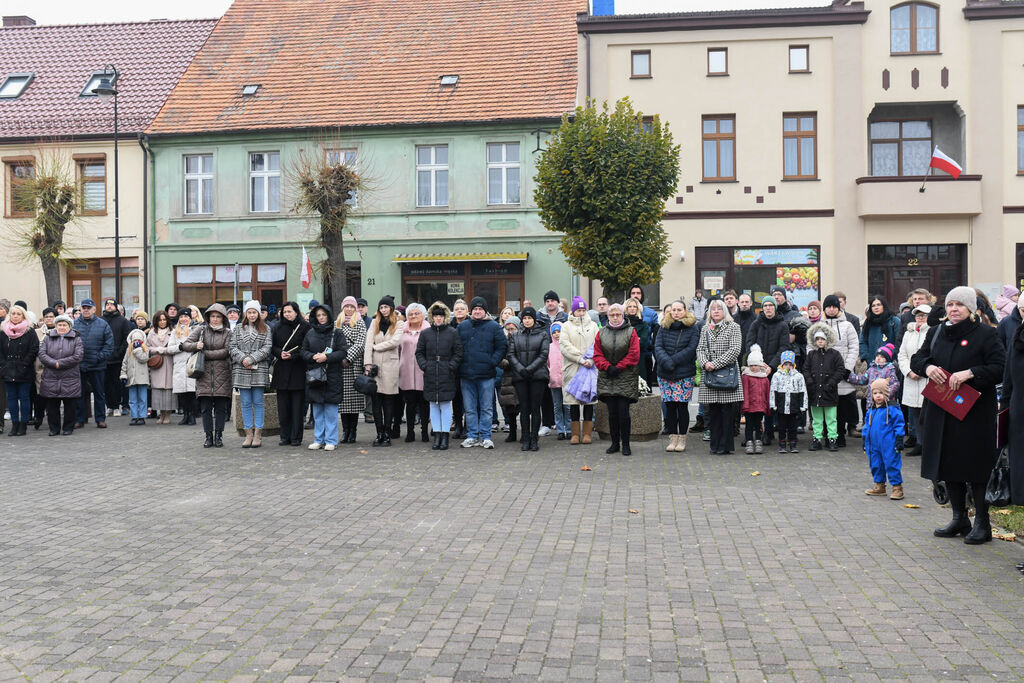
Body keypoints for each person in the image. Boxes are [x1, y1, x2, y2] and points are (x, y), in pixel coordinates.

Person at [911, 286, 1005, 545]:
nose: (954, 309)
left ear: (972, 309)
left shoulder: (986, 334)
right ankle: (959, 517)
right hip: (941, 410)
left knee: (975, 466)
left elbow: (1000, 367)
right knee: (947, 463)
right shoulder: (937, 331)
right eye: (950, 304)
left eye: (960, 305)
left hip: (974, 412)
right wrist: (928, 368)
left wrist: (971, 373)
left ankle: (983, 524)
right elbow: (917, 359)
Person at [457, 296, 506, 449]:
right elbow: (456, 347)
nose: (477, 311)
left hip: (486, 374)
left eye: (480, 309)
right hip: (466, 374)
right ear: (471, 311)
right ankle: (472, 436)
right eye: (475, 309)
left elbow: (502, 347)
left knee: (486, 407)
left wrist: (492, 361)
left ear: (485, 311)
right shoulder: (463, 326)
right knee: (470, 408)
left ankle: (486, 436)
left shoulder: (494, 327)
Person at [182, 303, 233, 448]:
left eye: (218, 317)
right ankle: (208, 436)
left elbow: (226, 351)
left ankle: (219, 436)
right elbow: (185, 344)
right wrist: (196, 346)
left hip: (222, 374)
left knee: (221, 408)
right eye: (212, 316)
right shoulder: (201, 329)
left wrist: (205, 354)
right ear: (208, 317)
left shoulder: (228, 333)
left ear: (223, 318)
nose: (215, 319)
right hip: (203, 374)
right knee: (205, 408)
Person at [697, 299, 744, 455]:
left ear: (725, 311)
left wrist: (715, 364)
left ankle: (726, 446)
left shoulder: (734, 327)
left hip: (727, 375)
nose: (716, 311)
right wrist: (704, 363)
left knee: (727, 412)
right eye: (713, 309)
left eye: (719, 308)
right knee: (713, 412)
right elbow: (700, 349)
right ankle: (714, 445)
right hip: (710, 375)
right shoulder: (705, 329)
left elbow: (735, 350)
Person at [593, 303, 640, 456]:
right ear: (608, 316)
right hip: (607, 377)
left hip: (625, 377)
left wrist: (619, 367)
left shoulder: (631, 332)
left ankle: (626, 444)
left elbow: (634, 354)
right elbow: (597, 354)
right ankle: (614, 443)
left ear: (622, 315)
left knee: (623, 413)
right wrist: (607, 367)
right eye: (612, 315)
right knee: (612, 413)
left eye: (617, 314)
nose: (614, 317)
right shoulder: (601, 333)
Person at [654, 300, 700, 452]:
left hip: (684, 374)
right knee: (670, 406)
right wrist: (666, 361)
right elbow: (658, 346)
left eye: (679, 310)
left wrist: (672, 361)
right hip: (665, 373)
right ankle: (672, 438)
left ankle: (682, 439)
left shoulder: (692, 328)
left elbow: (692, 349)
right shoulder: (663, 327)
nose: (676, 312)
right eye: (673, 310)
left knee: (682, 406)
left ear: (685, 311)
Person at [300, 303, 347, 450]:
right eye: (318, 315)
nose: (321, 318)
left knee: (331, 411)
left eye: (324, 315)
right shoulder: (310, 333)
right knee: (318, 410)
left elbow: (343, 352)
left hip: (332, 375)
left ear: (329, 315)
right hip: (315, 375)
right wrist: (313, 356)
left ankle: (331, 440)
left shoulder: (337, 332)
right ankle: (318, 439)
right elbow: (303, 351)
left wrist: (327, 357)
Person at [416, 302, 462, 450]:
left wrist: (451, 366)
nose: (438, 319)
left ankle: (445, 436)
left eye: (440, 316)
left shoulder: (452, 332)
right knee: (433, 405)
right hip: (430, 372)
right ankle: (437, 436)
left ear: (445, 317)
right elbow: (419, 353)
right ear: (431, 317)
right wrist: (425, 366)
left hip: (446, 372)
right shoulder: (425, 334)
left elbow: (458, 352)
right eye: (435, 316)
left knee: (445, 405)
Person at [228, 300, 273, 447]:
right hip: (242, 369)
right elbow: (232, 347)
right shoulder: (238, 330)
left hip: (258, 368)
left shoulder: (266, 328)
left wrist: (252, 358)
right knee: (245, 403)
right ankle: (248, 434)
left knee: (258, 402)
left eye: (254, 312)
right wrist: (243, 359)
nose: (252, 315)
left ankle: (258, 434)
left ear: (258, 314)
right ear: (245, 314)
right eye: (249, 312)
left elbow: (267, 348)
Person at [508, 306, 550, 452]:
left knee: (535, 408)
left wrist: (530, 369)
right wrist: (521, 369)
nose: (527, 321)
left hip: (537, 376)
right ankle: (525, 438)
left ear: (534, 319)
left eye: (529, 318)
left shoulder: (543, 334)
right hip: (521, 377)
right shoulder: (515, 335)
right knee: (524, 409)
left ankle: (534, 439)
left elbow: (543, 354)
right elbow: (511, 354)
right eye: (524, 318)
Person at [819, 295, 860, 447]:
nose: (831, 309)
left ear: (839, 308)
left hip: (842, 372)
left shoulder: (847, 325)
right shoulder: (819, 325)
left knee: (842, 406)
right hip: (824, 373)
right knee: (826, 405)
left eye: (834, 306)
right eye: (828, 306)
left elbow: (854, 347)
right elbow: (812, 347)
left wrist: (847, 368)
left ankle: (840, 435)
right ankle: (828, 436)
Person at [363, 296, 404, 447]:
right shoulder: (374, 322)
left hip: (390, 366)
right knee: (376, 401)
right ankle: (379, 432)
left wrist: (376, 347)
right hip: (374, 367)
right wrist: (367, 363)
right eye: (381, 307)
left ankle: (387, 433)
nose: (384, 310)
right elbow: (368, 343)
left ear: (391, 308)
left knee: (388, 401)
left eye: (386, 307)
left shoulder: (399, 323)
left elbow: (395, 342)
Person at [560, 297, 599, 444]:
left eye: (583, 310)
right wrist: (581, 359)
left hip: (590, 368)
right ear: (573, 311)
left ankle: (587, 433)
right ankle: (575, 434)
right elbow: (564, 346)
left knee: (589, 401)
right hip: (573, 368)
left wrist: (591, 359)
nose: (581, 313)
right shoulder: (566, 326)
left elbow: (598, 344)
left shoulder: (594, 325)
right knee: (573, 402)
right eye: (578, 310)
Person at [271, 301, 310, 446]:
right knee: (283, 408)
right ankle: (284, 436)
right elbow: (273, 346)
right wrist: (280, 353)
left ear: (296, 312)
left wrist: (293, 356)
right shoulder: (277, 327)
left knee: (297, 408)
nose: (287, 314)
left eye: (290, 311)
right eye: (285, 312)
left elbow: (306, 348)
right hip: (281, 370)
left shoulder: (305, 327)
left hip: (298, 370)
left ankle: (296, 437)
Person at [804, 323, 847, 452]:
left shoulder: (835, 354)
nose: (820, 342)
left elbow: (840, 370)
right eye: (817, 339)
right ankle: (817, 439)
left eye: (822, 339)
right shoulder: (811, 355)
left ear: (827, 340)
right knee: (817, 419)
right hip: (815, 392)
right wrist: (810, 382)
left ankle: (832, 439)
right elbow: (806, 369)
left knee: (831, 418)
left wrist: (831, 383)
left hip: (829, 391)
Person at [38, 314, 83, 436]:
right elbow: (42, 354)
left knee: (70, 405)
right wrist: (54, 363)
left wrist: (60, 363)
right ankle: (54, 428)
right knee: (52, 405)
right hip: (51, 376)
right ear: (55, 326)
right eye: (59, 325)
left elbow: (78, 356)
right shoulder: (47, 338)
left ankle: (68, 427)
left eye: (64, 325)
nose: (62, 327)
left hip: (70, 377)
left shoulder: (76, 339)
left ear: (69, 327)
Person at [863, 378, 907, 500]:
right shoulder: (871, 410)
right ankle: (879, 485)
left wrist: (899, 439)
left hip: (889, 443)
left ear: (886, 394)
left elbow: (899, 424)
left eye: (881, 393)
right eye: (875, 393)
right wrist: (864, 440)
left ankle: (897, 487)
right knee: (876, 464)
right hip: (874, 444)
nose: (878, 396)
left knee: (892, 463)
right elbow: (866, 426)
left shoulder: (893, 409)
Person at [72, 299, 113, 428]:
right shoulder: (74, 325)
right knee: (79, 393)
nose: (86, 310)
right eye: (83, 308)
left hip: (97, 365)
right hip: (79, 365)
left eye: (88, 308)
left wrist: (99, 357)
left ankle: (100, 419)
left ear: (94, 309)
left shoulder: (103, 324)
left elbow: (109, 345)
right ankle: (79, 419)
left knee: (99, 394)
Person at [0, 304, 40, 436]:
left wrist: (24, 364)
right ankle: (14, 425)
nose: (15, 316)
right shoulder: (3, 331)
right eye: (13, 313)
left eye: (18, 314)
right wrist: (4, 365)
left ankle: (23, 425)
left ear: (23, 316)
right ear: (9, 315)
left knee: (24, 398)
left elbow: (34, 349)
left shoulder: (29, 331)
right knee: (11, 398)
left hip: (24, 369)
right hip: (8, 369)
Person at [896, 304, 931, 456]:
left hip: (927, 378)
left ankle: (930, 445)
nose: (920, 318)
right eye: (918, 315)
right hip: (911, 378)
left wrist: (922, 371)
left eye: (923, 315)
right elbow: (902, 355)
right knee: (915, 413)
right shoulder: (908, 333)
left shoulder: (932, 332)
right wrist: (909, 371)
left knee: (927, 413)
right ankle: (920, 443)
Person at [334, 297, 367, 444]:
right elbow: (333, 343)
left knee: (353, 403)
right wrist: (339, 357)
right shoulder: (337, 323)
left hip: (353, 366)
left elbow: (361, 343)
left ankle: (353, 431)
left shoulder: (360, 323)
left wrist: (348, 358)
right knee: (343, 403)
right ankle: (345, 431)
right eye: (346, 306)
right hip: (340, 366)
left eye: (351, 307)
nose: (349, 309)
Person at [1000, 308, 1024, 505]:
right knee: (1018, 451)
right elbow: (1008, 374)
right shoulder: (1017, 335)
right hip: (1018, 403)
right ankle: (1020, 496)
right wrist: (1004, 404)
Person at [399, 303, 430, 443]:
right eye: (410, 314)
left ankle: (424, 431)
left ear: (423, 316)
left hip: (422, 371)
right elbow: (398, 350)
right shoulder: (402, 331)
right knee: (409, 404)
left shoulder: (427, 331)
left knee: (424, 404)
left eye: (417, 313)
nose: (413, 316)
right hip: (406, 372)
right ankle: (410, 432)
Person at [101, 298, 134, 418]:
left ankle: (116, 406)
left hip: (117, 359)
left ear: (116, 307)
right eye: (107, 305)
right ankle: (109, 406)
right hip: (104, 359)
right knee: (105, 384)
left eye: (111, 305)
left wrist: (119, 353)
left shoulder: (122, 321)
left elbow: (127, 339)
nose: (109, 306)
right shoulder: (100, 320)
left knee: (116, 384)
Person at [769, 351, 807, 453]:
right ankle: (782, 444)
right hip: (781, 407)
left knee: (793, 427)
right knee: (781, 427)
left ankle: (793, 444)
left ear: (793, 365)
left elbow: (803, 391)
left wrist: (803, 406)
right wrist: (773, 405)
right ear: (782, 365)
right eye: (786, 364)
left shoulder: (798, 376)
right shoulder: (777, 376)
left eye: (790, 364)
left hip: (793, 407)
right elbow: (773, 391)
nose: (788, 367)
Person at [145, 311, 176, 424]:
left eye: (164, 319)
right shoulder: (151, 332)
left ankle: (167, 414)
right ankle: (161, 414)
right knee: (157, 389)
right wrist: (157, 349)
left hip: (168, 362)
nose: (162, 322)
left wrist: (166, 350)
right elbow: (147, 347)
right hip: (156, 363)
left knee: (168, 389)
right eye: (160, 320)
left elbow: (177, 346)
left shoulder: (173, 332)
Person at [740, 346, 770, 454]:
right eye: (751, 365)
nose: (753, 368)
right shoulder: (746, 376)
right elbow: (745, 392)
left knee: (758, 425)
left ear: (760, 365)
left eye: (756, 365)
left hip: (760, 407)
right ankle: (749, 441)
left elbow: (767, 393)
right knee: (749, 425)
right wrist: (745, 406)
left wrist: (767, 407)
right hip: (749, 407)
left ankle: (758, 441)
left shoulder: (764, 377)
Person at [170, 311, 197, 425]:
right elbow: (169, 349)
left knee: (192, 392)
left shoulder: (195, 330)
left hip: (192, 363)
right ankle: (185, 415)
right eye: (181, 316)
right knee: (182, 393)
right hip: (179, 365)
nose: (184, 319)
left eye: (186, 316)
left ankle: (192, 416)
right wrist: (180, 347)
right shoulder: (174, 332)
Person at [497, 317, 522, 443]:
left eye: (513, 329)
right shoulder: (503, 343)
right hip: (508, 378)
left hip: (521, 377)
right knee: (510, 408)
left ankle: (525, 433)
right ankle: (512, 433)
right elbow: (499, 360)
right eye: (508, 329)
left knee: (523, 407)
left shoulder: (522, 341)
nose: (510, 332)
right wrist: (510, 362)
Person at [120, 328, 150, 425]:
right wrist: (123, 375)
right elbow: (124, 363)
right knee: (132, 399)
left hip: (142, 379)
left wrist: (137, 349)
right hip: (131, 378)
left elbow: (144, 359)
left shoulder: (145, 349)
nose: (136, 342)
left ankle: (142, 416)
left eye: (138, 340)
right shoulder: (128, 350)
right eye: (134, 341)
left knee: (142, 398)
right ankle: (134, 416)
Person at [449, 298, 470, 437]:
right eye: (457, 309)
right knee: (456, 398)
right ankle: (458, 424)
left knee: (468, 399)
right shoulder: (449, 326)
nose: (459, 311)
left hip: (469, 365)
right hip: (453, 367)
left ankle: (469, 425)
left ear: (467, 311)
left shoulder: (471, 324)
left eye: (462, 309)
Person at [547, 322, 571, 440]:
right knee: (557, 406)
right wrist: (550, 373)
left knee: (567, 406)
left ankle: (569, 428)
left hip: (566, 381)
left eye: (559, 332)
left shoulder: (566, 345)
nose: (557, 335)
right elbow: (547, 363)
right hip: (554, 381)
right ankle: (560, 429)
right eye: (554, 332)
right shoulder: (550, 347)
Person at [860, 295, 901, 361]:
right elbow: (863, 341)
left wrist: (892, 357)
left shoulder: (894, 321)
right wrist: (866, 357)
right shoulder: (868, 322)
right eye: (873, 306)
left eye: (879, 305)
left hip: (890, 363)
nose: (876, 307)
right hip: (872, 363)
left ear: (884, 306)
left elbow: (899, 342)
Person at [623, 298, 651, 384]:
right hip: (623, 359)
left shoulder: (643, 325)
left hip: (639, 359)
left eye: (634, 306)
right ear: (626, 308)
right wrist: (636, 339)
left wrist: (628, 341)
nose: (632, 308)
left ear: (638, 308)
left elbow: (643, 343)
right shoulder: (622, 324)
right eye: (629, 306)